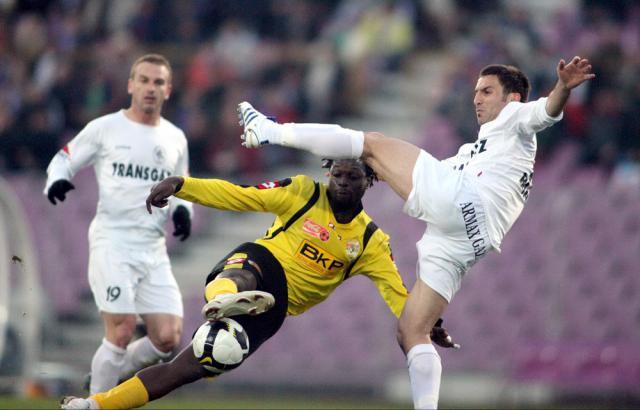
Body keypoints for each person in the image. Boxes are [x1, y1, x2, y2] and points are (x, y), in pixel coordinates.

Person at [235, 56, 595, 409]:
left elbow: (546, 111)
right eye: (476, 92)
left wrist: (562, 86)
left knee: (371, 141)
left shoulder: (516, 117)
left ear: (511, 98)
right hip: (468, 237)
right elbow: (421, 174)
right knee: (412, 331)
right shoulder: (479, 150)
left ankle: (268, 130)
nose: (477, 99)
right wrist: (377, 167)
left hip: (465, 204)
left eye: (487, 91)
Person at [60, 158, 459, 410]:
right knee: (239, 274)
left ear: (368, 182)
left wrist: (425, 323)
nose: (341, 181)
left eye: (352, 176)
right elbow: (240, 195)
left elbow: (396, 292)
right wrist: (184, 185)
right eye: (336, 173)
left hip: (275, 309)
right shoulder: (303, 192)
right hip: (263, 262)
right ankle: (224, 301)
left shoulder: (371, 241)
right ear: (328, 173)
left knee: (184, 369)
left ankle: (96, 405)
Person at [44, 54, 193, 395]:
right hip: (113, 241)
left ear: (168, 90)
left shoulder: (175, 138)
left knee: (167, 339)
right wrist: (57, 178)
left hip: (153, 248)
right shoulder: (106, 128)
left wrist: (183, 210)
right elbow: (66, 157)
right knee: (123, 328)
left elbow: (182, 183)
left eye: (158, 82)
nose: (150, 88)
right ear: (130, 85)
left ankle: (110, 374)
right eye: (143, 80)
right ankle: (96, 402)